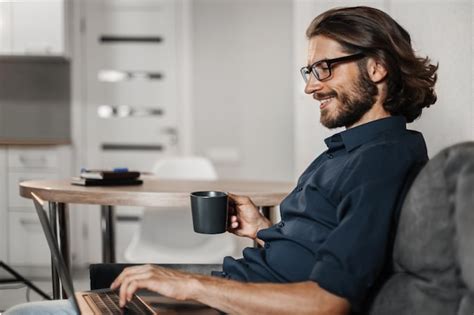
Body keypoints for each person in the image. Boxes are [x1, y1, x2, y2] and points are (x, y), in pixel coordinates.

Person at [5, 5, 438, 315]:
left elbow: (327, 302)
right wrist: (263, 230)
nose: (311, 87)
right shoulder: (349, 151)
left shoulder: (383, 159)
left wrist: (191, 285)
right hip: (234, 288)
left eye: (324, 68)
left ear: (377, 68)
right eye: (309, 72)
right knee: (99, 290)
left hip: (230, 299)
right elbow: (318, 249)